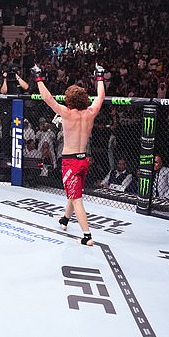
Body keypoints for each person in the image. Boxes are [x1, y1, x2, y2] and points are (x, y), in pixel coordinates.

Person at [33, 63, 106, 246]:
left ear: (69, 100)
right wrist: (100, 77)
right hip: (84, 160)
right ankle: (65, 220)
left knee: (76, 198)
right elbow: (101, 97)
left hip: (71, 162)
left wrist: (39, 78)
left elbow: (47, 98)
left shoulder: (66, 113)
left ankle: (87, 235)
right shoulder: (90, 113)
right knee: (75, 193)